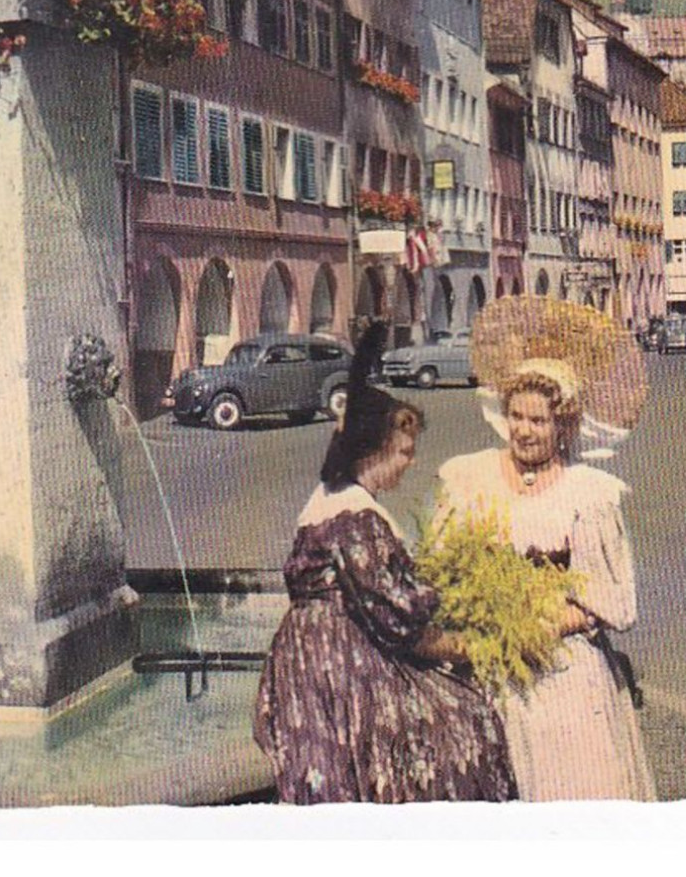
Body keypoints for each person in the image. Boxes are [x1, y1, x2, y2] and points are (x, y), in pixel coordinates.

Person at [253, 322, 516, 804]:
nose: (410, 464)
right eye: (404, 453)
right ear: (374, 450)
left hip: (307, 660)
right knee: (467, 722)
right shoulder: (356, 518)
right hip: (338, 669)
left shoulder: (329, 497)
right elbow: (397, 619)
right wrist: (466, 646)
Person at [435, 357, 657, 801]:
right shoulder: (471, 478)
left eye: (539, 420)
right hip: (487, 666)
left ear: (563, 426)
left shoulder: (586, 496)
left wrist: (542, 625)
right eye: (516, 416)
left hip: (562, 670)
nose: (524, 430)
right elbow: (443, 569)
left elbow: (611, 600)